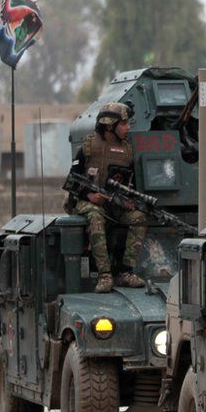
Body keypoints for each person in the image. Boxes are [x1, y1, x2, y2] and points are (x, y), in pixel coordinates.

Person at [66, 101, 147, 293]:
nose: (128, 128)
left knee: (139, 218)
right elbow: (71, 181)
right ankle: (104, 275)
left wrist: (128, 201)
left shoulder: (128, 150)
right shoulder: (89, 147)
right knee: (95, 217)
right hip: (87, 203)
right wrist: (90, 195)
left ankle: (125, 272)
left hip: (114, 204)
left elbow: (131, 182)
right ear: (110, 126)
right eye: (124, 123)